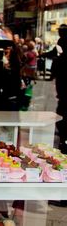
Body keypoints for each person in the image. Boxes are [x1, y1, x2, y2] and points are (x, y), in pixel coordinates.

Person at [53, 24, 67, 154]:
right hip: (63, 96)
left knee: (62, 120)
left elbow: (55, 74)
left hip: (64, 97)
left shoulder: (60, 60)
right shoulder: (60, 60)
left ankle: (64, 143)